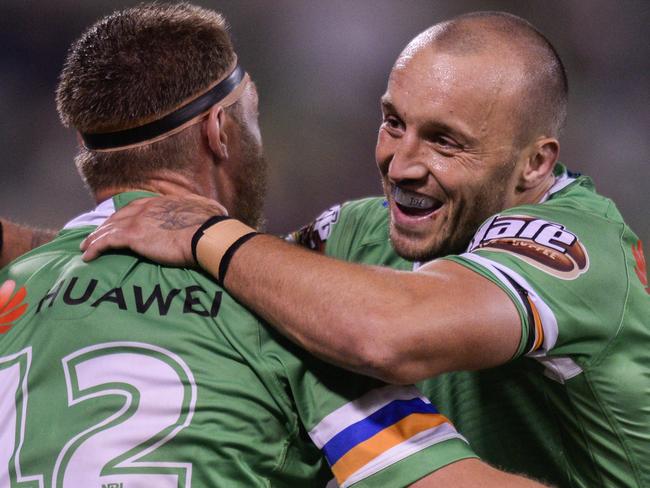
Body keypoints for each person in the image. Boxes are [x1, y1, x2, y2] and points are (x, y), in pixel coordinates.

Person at [77, 11, 650, 488]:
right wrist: (41, 253)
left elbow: (392, 333)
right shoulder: (366, 231)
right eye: (394, 123)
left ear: (535, 163)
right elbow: (232, 282)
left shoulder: (578, 248)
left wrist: (209, 232)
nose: (400, 164)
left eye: (445, 142)